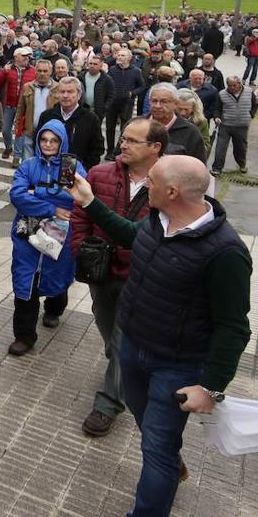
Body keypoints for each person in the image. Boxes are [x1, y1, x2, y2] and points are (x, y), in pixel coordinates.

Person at [68, 157, 252, 517]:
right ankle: (168, 460)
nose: (142, 185)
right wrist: (90, 202)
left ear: (171, 191)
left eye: (150, 181)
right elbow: (128, 234)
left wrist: (211, 387)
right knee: (144, 420)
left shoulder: (226, 252)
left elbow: (234, 326)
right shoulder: (157, 220)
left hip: (176, 365)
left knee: (157, 447)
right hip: (133, 348)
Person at [70, 118, 165, 438]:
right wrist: (80, 247)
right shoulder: (99, 174)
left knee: (124, 342)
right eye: (123, 138)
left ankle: (108, 403)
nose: (122, 145)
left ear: (155, 148)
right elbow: (80, 213)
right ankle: (125, 371)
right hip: (100, 273)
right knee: (109, 334)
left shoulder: (165, 184)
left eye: (132, 141)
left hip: (139, 278)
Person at [6, 121, 84, 355]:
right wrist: (51, 207)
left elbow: (78, 198)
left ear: (62, 142)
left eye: (54, 140)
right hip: (27, 231)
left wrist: (36, 192)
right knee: (24, 279)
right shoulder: (29, 165)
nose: (48, 144)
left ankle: (54, 308)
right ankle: (24, 335)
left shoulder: (72, 167)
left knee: (57, 274)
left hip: (62, 234)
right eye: (44, 139)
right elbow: (18, 196)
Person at [37, 76, 105, 169]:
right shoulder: (47, 116)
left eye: (70, 92)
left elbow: (97, 149)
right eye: (62, 92)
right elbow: (36, 142)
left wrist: (84, 168)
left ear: (79, 94)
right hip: (47, 169)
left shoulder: (91, 119)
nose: (65, 95)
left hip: (77, 171)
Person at [147, 82, 207, 161]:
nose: (158, 106)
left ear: (175, 103)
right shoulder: (135, 125)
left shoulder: (191, 132)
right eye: (154, 101)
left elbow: (199, 166)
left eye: (164, 101)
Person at [0, 47, 37, 160]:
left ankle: (17, 156)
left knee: (19, 131)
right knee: (5, 129)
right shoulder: (7, 68)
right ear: (16, 57)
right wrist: (4, 72)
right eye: (23, 56)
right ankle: (8, 147)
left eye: (28, 56)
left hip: (24, 106)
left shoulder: (33, 70)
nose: (26, 58)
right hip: (8, 104)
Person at [211, 76, 256, 176]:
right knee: (220, 147)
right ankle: (217, 168)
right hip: (225, 125)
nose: (232, 88)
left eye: (234, 85)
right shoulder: (222, 94)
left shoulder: (249, 92)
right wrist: (217, 117)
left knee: (241, 147)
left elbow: (254, 105)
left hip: (242, 126)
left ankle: (242, 165)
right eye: (229, 85)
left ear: (240, 84)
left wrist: (251, 114)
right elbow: (217, 108)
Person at [14, 59, 56, 163]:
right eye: (40, 71)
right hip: (29, 131)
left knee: (45, 161)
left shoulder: (57, 88)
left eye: (45, 71)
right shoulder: (27, 87)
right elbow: (20, 109)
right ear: (35, 71)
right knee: (27, 161)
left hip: (49, 133)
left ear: (51, 72)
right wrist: (17, 127)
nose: (42, 74)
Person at [105, 48, 146, 155]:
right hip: (112, 103)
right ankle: (109, 151)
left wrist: (133, 93)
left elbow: (142, 86)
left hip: (127, 103)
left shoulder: (136, 71)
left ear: (129, 58)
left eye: (122, 55)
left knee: (125, 129)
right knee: (110, 128)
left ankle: (118, 151)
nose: (119, 57)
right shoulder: (112, 69)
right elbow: (107, 84)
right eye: (118, 55)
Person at [78, 54, 115, 122]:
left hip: (98, 112)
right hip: (82, 109)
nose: (92, 66)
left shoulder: (106, 79)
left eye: (95, 64)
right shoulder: (80, 77)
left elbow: (111, 95)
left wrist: (104, 108)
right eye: (90, 63)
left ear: (101, 66)